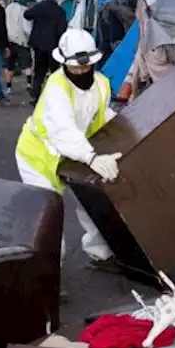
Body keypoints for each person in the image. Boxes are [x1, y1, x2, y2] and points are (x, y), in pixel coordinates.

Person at [14, 28, 120, 269]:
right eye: (76, 67)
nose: (82, 71)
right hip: (40, 158)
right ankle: (47, 272)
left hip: (75, 155)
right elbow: (62, 131)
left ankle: (101, 254)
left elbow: (102, 117)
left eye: (86, 66)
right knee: (48, 215)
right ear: (64, 62)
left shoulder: (101, 84)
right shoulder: (56, 87)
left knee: (91, 202)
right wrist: (92, 158)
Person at [25, 0, 69, 100]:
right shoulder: (60, 11)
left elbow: (27, 14)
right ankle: (55, 96)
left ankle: (36, 95)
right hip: (53, 46)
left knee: (39, 70)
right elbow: (62, 29)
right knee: (54, 71)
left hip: (38, 45)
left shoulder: (39, 7)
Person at [4, 0, 35, 98]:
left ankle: (8, 87)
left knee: (9, 66)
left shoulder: (7, 8)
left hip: (9, 41)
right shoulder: (24, 10)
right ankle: (28, 84)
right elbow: (27, 29)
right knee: (27, 65)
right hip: (22, 41)